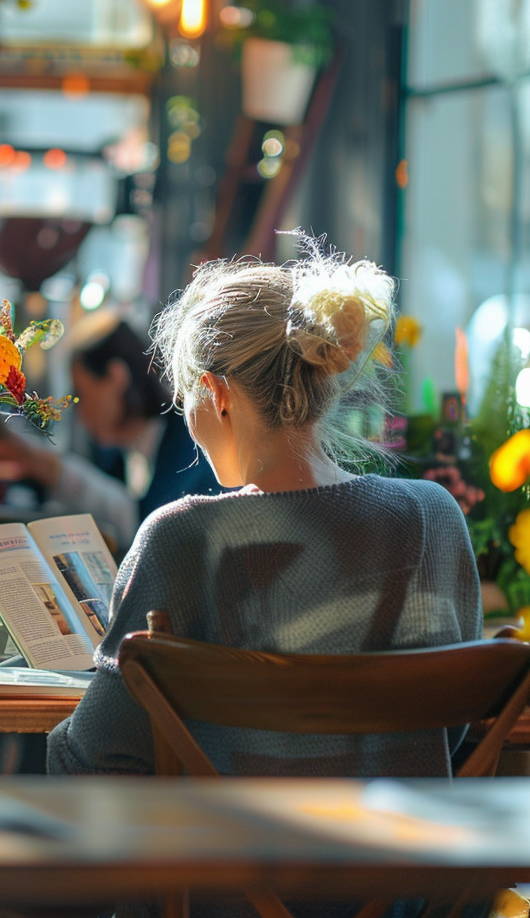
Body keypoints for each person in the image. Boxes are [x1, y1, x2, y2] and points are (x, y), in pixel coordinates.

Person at [46, 245, 482, 778]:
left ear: (217, 393)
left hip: (231, 852)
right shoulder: (431, 516)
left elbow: (98, 751)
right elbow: (452, 720)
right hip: (400, 849)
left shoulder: (177, 538)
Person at [0, 310, 223, 552]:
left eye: (82, 393)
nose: (80, 414)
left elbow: (149, 526)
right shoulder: (117, 453)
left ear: (116, 377)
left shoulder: (192, 449)